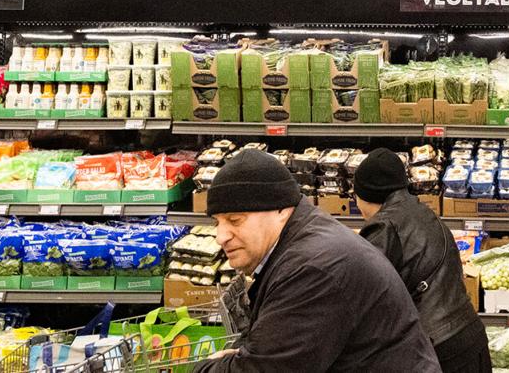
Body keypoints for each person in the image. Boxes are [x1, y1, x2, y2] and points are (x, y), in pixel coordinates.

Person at [195, 149, 440, 373]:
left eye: (235, 220)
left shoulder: (312, 268)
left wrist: (211, 367)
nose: (221, 237)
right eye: (217, 222)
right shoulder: (304, 240)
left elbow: (266, 368)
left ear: (280, 210)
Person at [352, 149, 485, 373]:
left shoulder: (383, 228)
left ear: (363, 195)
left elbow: (361, 301)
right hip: (470, 336)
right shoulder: (423, 212)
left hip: (437, 352)